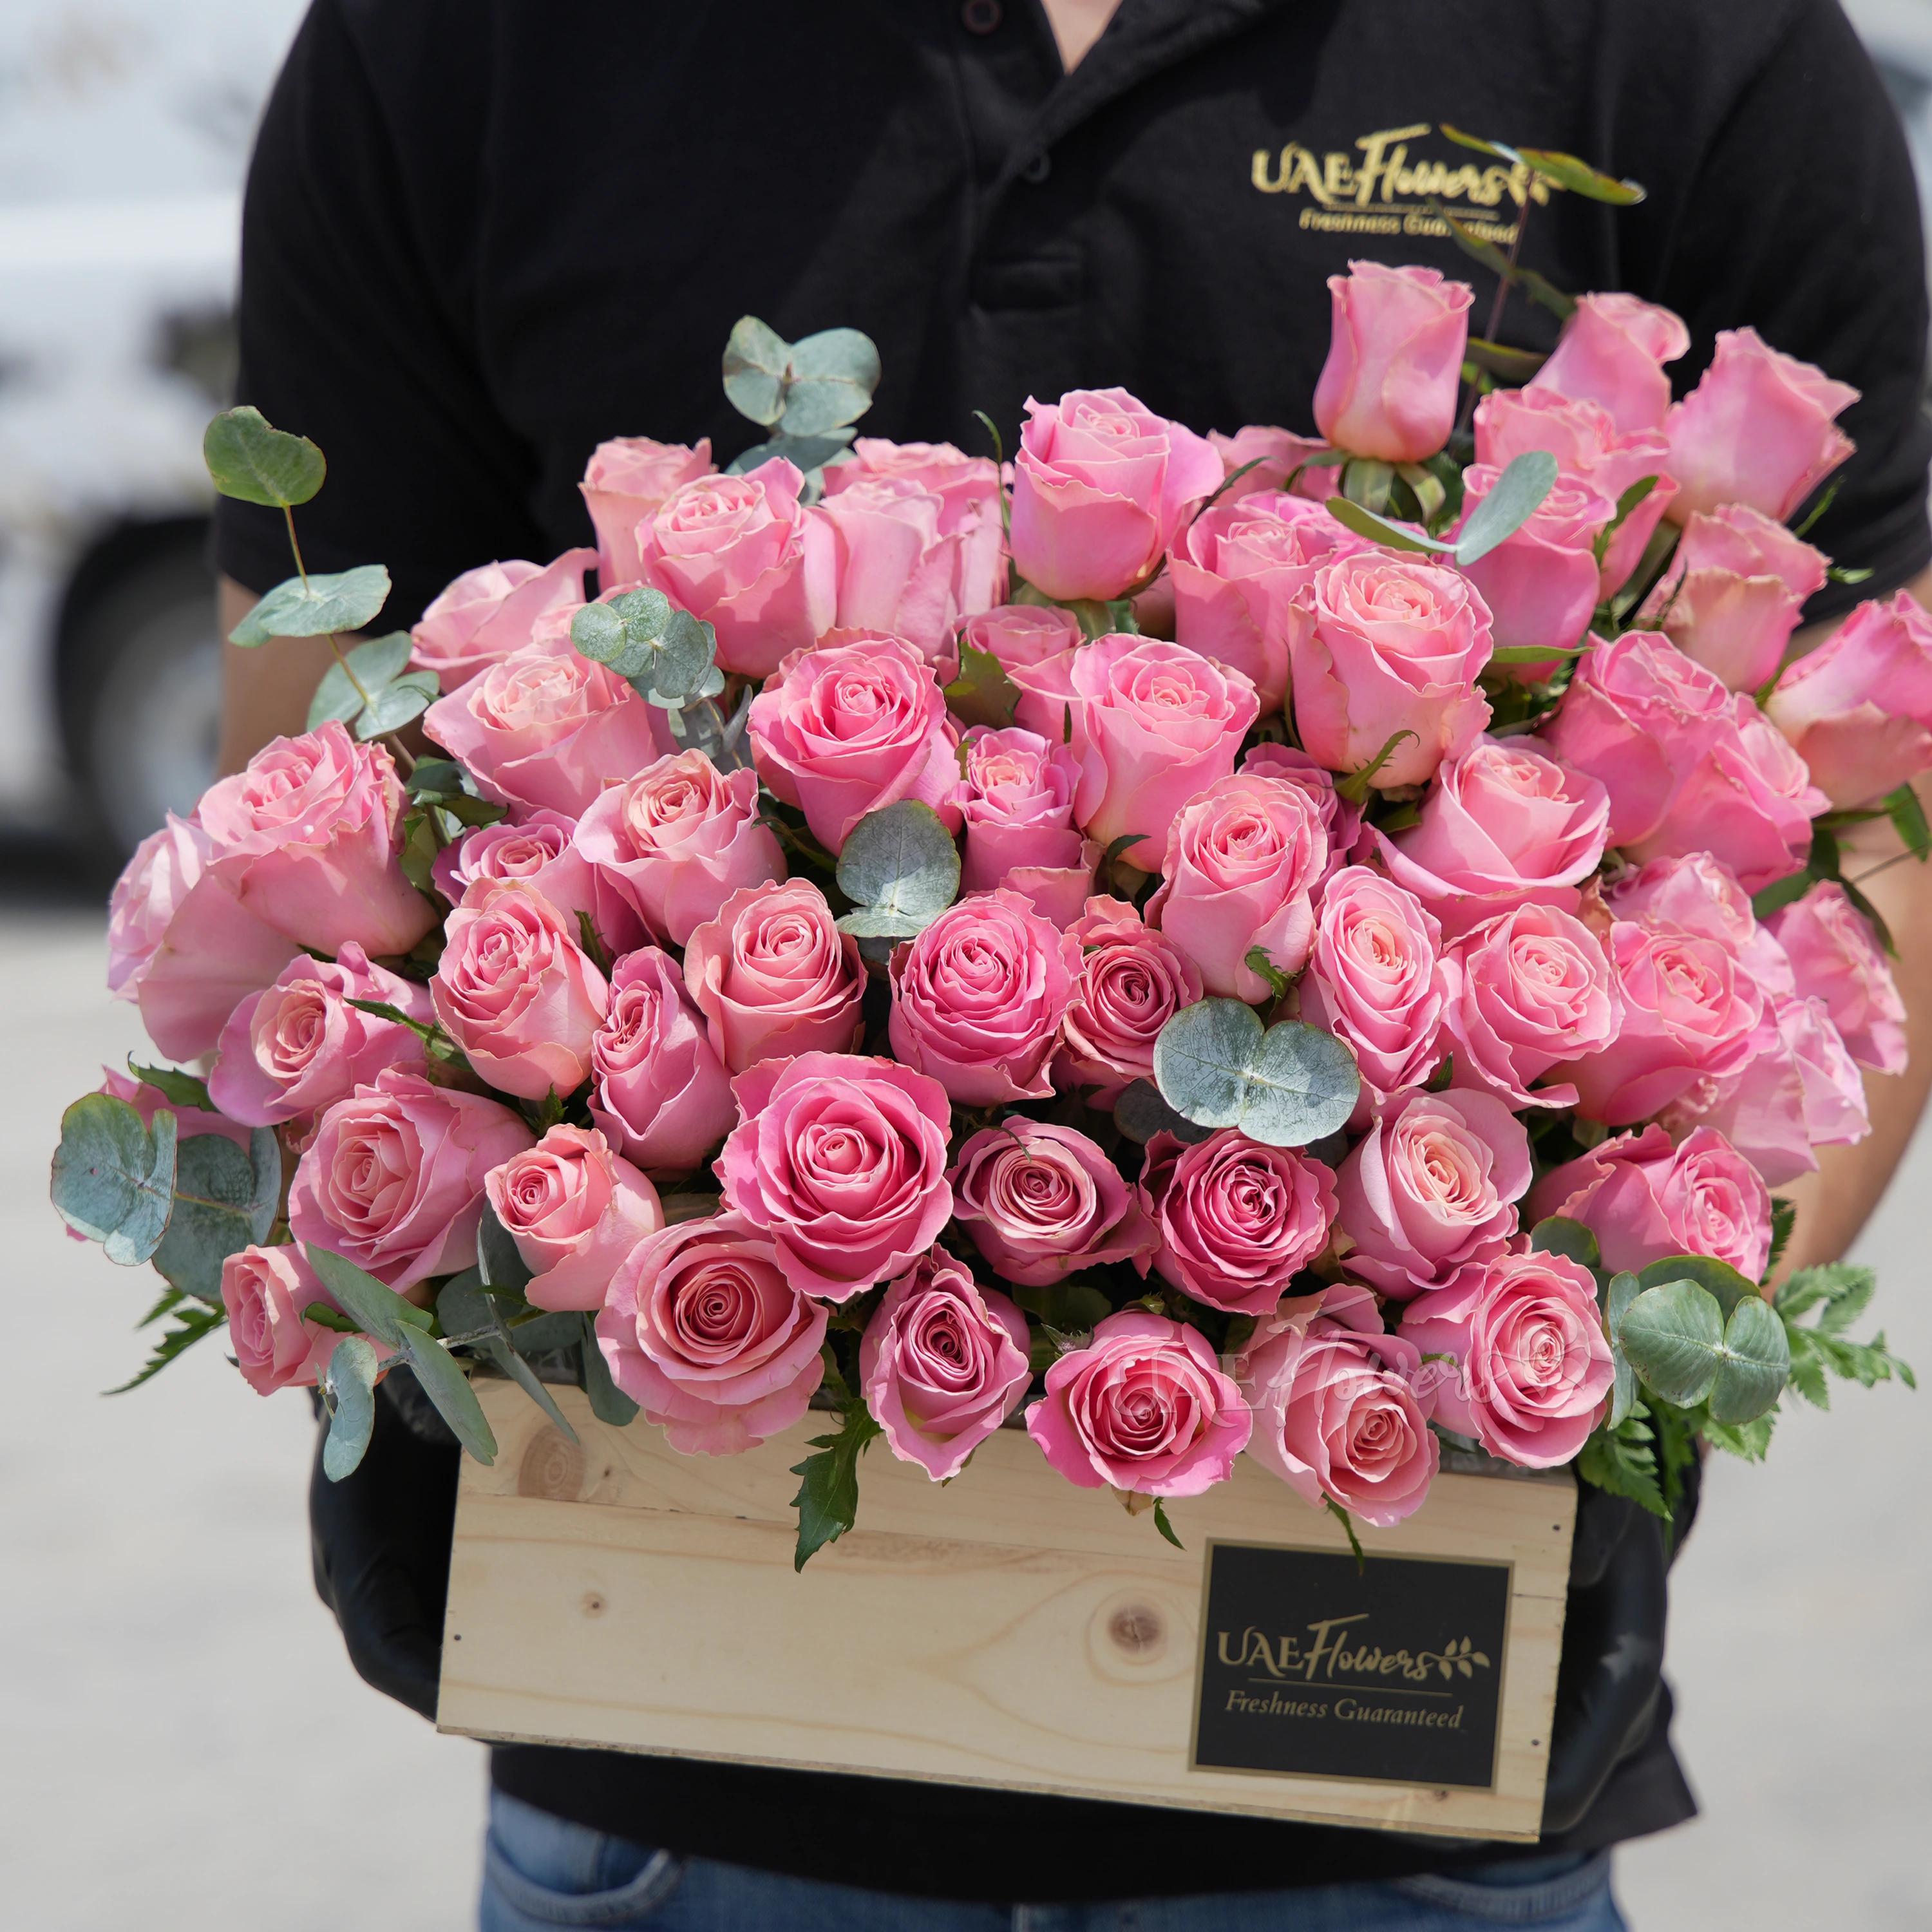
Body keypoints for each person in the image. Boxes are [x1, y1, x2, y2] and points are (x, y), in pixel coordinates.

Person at [216, 3, 1932, 1927]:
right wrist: (394, 1280)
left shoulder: (1681, 33)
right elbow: (320, 784)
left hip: (1381, 1768)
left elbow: (1870, 815)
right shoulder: (461, 45)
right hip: (696, 1772)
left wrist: (1624, 1357)